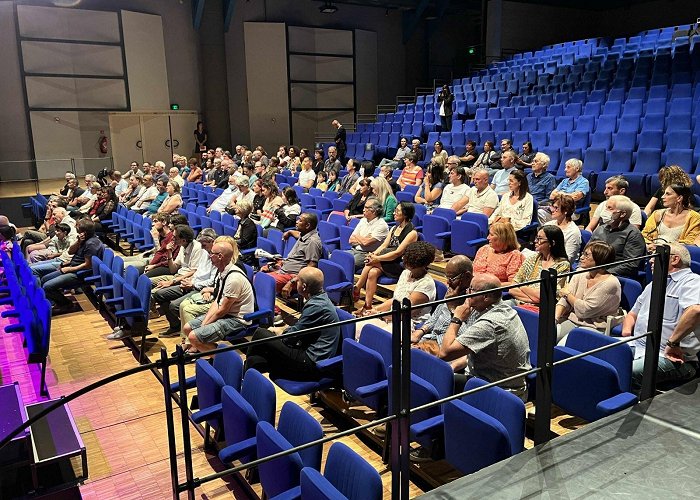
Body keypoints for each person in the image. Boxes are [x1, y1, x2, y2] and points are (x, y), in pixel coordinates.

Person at [438, 273, 532, 401]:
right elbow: (472, 349)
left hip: (499, 391)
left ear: (486, 297)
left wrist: (457, 318)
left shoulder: (490, 323)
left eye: (471, 289)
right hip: (485, 378)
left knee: (435, 380)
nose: (467, 292)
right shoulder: (501, 308)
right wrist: (454, 366)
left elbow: (445, 353)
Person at [623, 243, 700, 389]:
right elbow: (633, 313)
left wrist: (673, 343)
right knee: (598, 356)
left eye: (655, 256)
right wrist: (627, 333)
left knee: (625, 370)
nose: (651, 260)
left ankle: (617, 408)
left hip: (672, 357)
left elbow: (695, 310)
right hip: (637, 345)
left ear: (675, 259)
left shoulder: (692, 281)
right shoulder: (653, 284)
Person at [245, 267, 341, 381]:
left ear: (304, 286)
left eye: (298, 280)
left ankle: (243, 380)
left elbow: (289, 339)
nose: (295, 282)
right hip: (304, 350)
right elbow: (300, 329)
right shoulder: (318, 299)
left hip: (311, 361)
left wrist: (281, 332)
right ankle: (246, 384)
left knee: (261, 334)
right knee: (253, 361)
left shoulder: (317, 306)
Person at [181, 238, 255, 353]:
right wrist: (205, 323)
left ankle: (223, 360)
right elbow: (217, 302)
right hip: (226, 314)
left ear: (220, 256)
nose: (209, 256)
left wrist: (204, 326)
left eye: (212, 254)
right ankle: (213, 353)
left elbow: (223, 310)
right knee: (187, 328)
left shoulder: (233, 278)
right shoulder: (223, 271)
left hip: (237, 320)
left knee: (193, 336)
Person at [356, 241, 436, 335]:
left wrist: (379, 315)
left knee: (374, 335)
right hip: (391, 316)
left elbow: (405, 313)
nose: (404, 261)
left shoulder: (426, 284)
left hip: (409, 323)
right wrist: (375, 310)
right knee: (358, 327)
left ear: (420, 264)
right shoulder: (406, 273)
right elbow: (395, 300)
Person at [150, 228, 218, 339]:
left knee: (175, 306)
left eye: (204, 245)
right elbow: (198, 271)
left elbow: (212, 281)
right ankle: (175, 326)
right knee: (159, 294)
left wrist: (192, 283)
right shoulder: (205, 252)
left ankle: (193, 334)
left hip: (199, 287)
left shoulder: (216, 256)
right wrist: (190, 280)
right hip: (191, 282)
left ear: (212, 242)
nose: (202, 247)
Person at [353, 202, 418, 312]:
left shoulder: (412, 233)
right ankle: (367, 305)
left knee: (371, 262)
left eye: (397, 211)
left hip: (399, 265)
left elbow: (398, 252)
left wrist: (376, 258)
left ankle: (358, 287)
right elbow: (384, 245)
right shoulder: (393, 228)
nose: (394, 213)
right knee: (372, 272)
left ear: (405, 214)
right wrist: (374, 254)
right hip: (386, 261)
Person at [555, 241, 621, 343]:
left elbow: (584, 311)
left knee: (563, 345)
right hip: (573, 321)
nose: (581, 257)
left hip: (594, 327)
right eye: (582, 253)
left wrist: (567, 294)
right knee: (547, 334)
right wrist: (555, 319)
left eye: (587, 255)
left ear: (600, 259)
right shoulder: (580, 274)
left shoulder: (611, 283)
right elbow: (565, 300)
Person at [411, 255, 473, 356]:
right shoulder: (452, 290)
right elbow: (435, 316)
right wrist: (421, 331)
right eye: (447, 277)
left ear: (467, 276)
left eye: (452, 278)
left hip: (446, 351)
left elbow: (466, 338)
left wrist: (453, 308)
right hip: (429, 340)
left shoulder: (475, 300)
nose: (448, 282)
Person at [40, 219, 103, 313]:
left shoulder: (91, 244)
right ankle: (58, 302)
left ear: (84, 231)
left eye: (77, 226)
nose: (75, 227)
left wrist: (69, 269)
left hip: (81, 273)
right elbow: (70, 252)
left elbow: (87, 265)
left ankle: (66, 304)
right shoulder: (83, 239)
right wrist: (78, 241)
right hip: (73, 267)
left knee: (47, 286)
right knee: (44, 279)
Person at [261, 212, 323, 295]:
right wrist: (290, 232)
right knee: (259, 275)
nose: (296, 222)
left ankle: (272, 306)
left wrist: (292, 282)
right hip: (283, 270)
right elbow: (298, 234)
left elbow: (310, 268)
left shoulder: (313, 242)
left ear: (307, 225)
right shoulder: (305, 234)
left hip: (292, 276)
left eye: (300, 221)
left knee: (263, 282)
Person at [509, 226, 570, 307]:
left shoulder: (562, 265)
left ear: (552, 243)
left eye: (540, 239)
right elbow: (512, 288)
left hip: (542, 309)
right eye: (536, 238)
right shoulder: (532, 259)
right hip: (518, 303)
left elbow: (545, 296)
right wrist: (535, 298)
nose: (535, 241)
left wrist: (522, 287)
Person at [591, 195, 648, 278]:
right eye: (606, 207)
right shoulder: (600, 229)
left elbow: (630, 265)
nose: (605, 211)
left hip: (614, 277)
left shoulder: (633, 235)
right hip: (594, 271)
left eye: (610, 208)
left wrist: (603, 273)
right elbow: (587, 252)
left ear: (622, 214)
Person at [642, 184, 700, 250]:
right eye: (664, 193)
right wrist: (650, 245)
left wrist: (661, 248)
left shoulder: (694, 218)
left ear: (679, 198)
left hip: (676, 254)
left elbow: (689, 242)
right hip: (651, 251)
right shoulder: (657, 214)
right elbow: (644, 235)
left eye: (668, 194)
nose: (662, 197)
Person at [347, 197, 390, 270]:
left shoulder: (382, 225)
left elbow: (366, 243)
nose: (363, 210)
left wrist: (358, 237)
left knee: (348, 262)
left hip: (368, 254)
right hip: (354, 250)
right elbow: (351, 240)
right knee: (335, 257)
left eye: (366, 208)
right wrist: (363, 238)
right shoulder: (363, 220)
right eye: (364, 207)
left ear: (374, 211)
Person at [541, 158, 589, 223]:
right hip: (556, 208)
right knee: (537, 212)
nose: (565, 170)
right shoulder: (564, 181)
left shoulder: (584, 182)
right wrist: (567, 195)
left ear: (577, 169)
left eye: (568, 167)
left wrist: (560, 193)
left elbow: (574, 197)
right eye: (565, 167)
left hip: (571, 211)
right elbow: (552, 195)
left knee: (540, 214)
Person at [544, 194, 582, 264]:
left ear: (566, 210)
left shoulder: (573, 232)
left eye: (556, 208)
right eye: (552, 207)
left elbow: (568, 259)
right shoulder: (548, 225)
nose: (552, 210)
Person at [233, 199, 258, 264]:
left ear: (243, 209)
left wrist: (232, 242)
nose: (235, 207)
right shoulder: (241, 221)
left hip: (245, 249)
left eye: (237, 206)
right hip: (239, 245)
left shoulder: (249, 224)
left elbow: (244, 241)